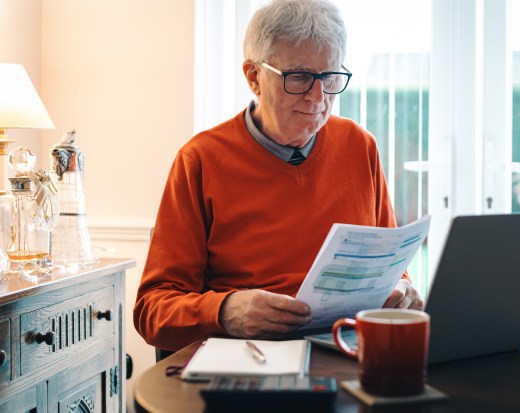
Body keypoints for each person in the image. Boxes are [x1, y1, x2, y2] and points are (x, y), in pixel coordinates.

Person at [133, 0, 423, 352]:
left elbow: (391, 269)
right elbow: (152, 309)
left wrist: (402, 292)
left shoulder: (359, 146)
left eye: (330, 76)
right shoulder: (200, 160)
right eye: (299, 77)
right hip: (246, 354)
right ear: (254, 77)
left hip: (344, 349)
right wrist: (224, 310)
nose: (318, 96)